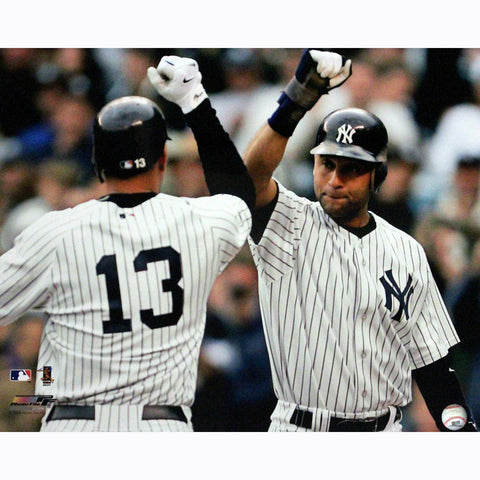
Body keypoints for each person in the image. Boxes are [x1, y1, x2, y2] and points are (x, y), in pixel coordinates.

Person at [0, 55, 255, 432]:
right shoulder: (200, 222)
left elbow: (30, 386)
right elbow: (240, 194)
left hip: (76, 426)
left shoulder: (54, 232)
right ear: (163, 159)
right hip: (161, 427)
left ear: (97, 163)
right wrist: (195, 103)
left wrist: (26, 388)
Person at [241, 49, 477, 432]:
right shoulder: (289, 222)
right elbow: (246, 180)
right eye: (327, 164)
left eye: (351, 169)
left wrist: (461, 431)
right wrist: (296, 100)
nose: (335, 179)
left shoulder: (405, 250)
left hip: (381, 434)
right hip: (300, 429)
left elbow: (432, 364)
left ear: (376, 177)